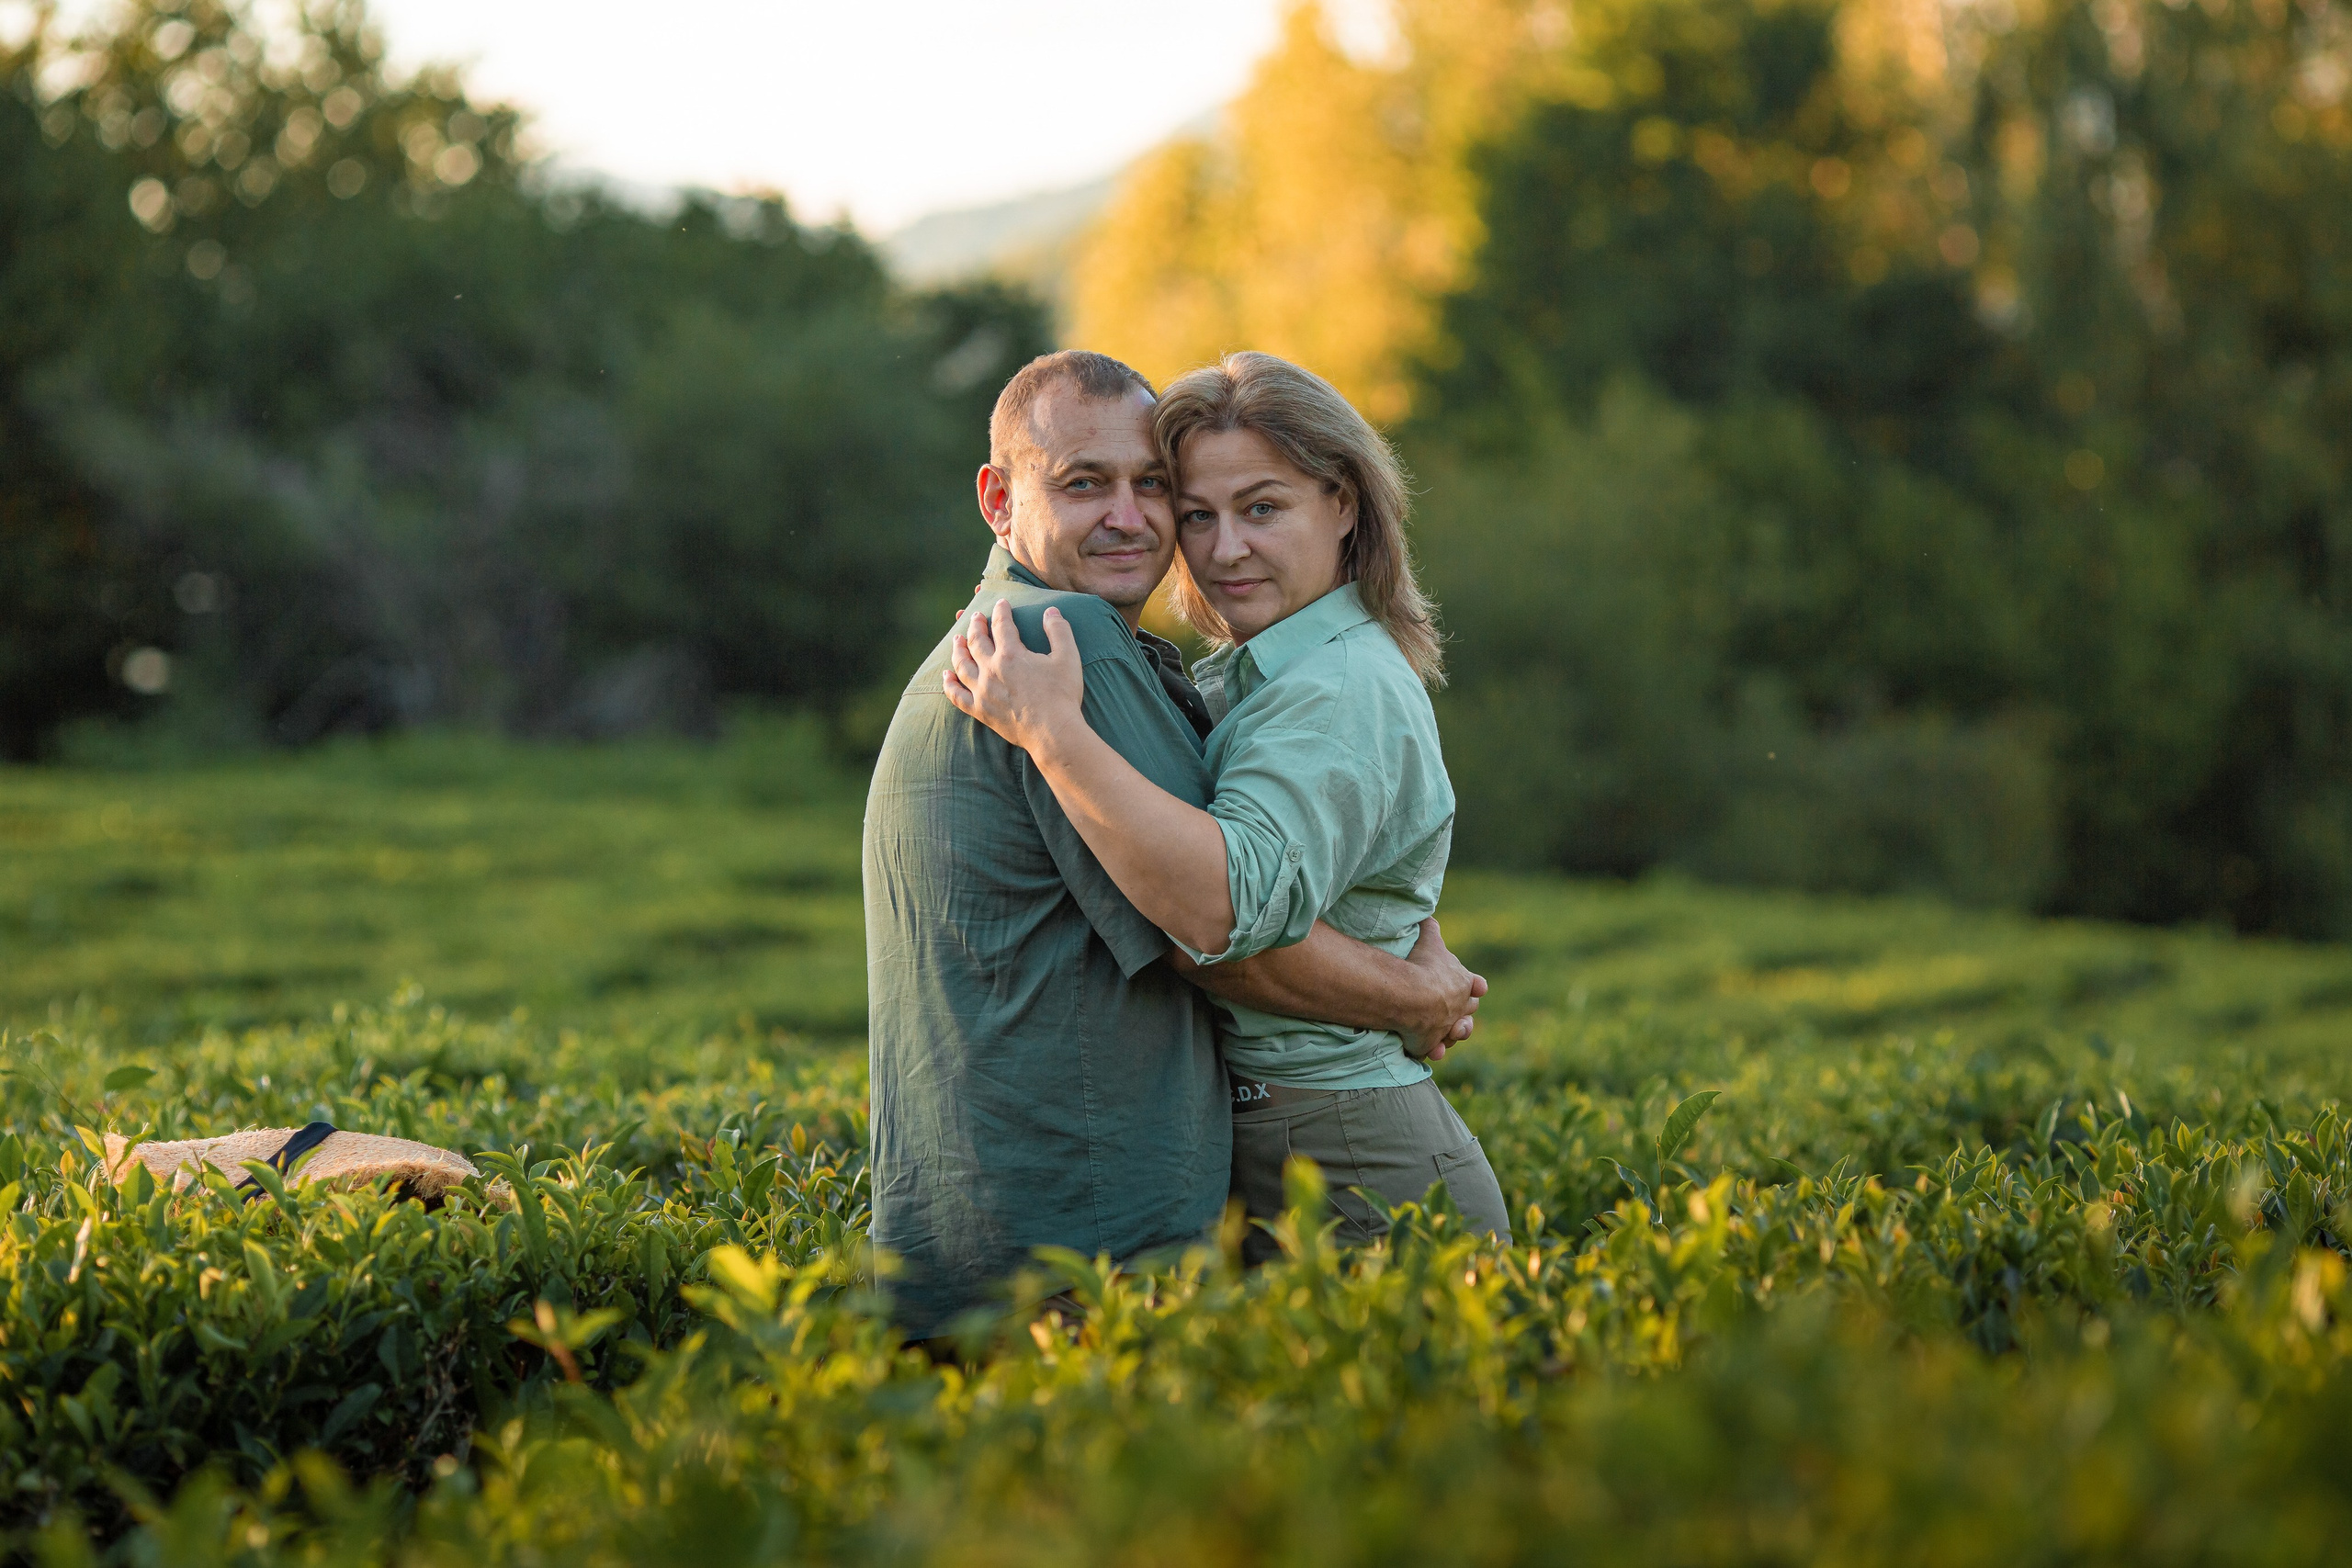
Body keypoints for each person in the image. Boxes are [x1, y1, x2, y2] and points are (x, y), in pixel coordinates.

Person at [864, 349, 1487, 1340]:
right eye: (1084, 484)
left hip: (1029, 1224)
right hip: (1081, 1240)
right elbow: (1214, 921)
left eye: (1152, 488)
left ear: (1344, 507)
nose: (1142, 521)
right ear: (998, 498)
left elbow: (1241, 890)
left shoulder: (1017, 643)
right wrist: (1415, 992)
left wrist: (1409, 932)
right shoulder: (1066, 652)